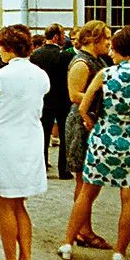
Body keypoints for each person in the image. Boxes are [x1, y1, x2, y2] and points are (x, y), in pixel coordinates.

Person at [59, 26, 130, 260]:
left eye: (114, 47)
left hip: (104, 136)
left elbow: (84, 105)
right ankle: (119, 252)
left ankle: (69, 243)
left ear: (122, 50)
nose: (110, 51)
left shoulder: (106, 74)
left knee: (87, 192)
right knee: (129, 196)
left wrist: (92, 123)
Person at [0, 25, 49, 260]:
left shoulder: (1, 74)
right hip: (30, 136)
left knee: (5, 202)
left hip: (5, 138)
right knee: (20, 202)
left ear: (8, 49)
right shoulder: (40, 75)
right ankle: (26, 259)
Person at [62, 20, 112, 250]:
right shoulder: (82, 62)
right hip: (82, 122)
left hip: (91, 118)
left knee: (87, 180)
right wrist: (107, 97)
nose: (109, 43)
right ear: (93, 39)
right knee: (84, 180)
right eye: (107, 38)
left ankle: (84, 228)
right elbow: (74, 94)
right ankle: (83, 231)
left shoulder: (97, 60)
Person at [30, 23, 74, 179]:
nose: (64, 37)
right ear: (56, 36)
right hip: (62, 99)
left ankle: (41, 167)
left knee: (42, 134)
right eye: (62, 34)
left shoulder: (36, 55)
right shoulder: (66, 56)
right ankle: (64, 170)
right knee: (64, 135)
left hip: (43, 98)